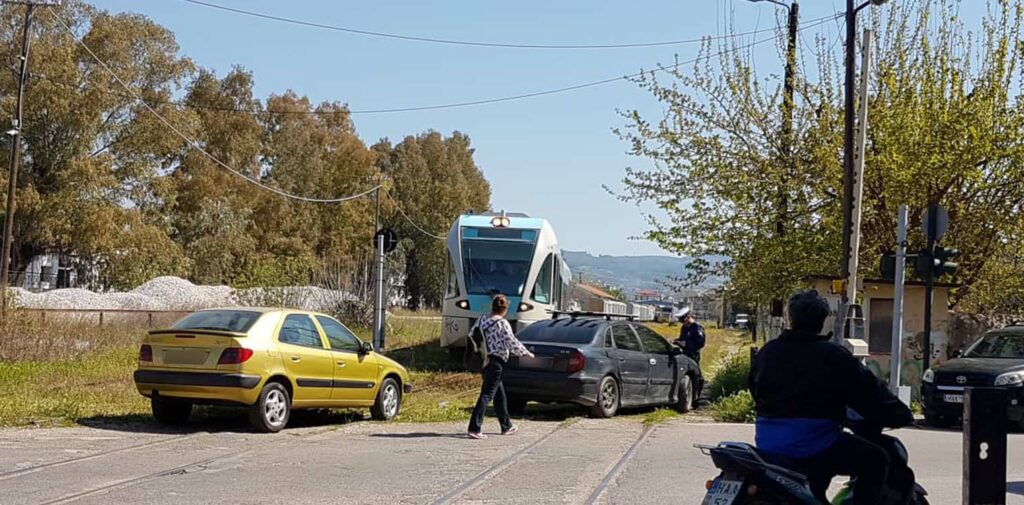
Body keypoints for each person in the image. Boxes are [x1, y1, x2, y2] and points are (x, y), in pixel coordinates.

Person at [749, 290, 913, 504]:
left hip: (768, 442)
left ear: (791, 318)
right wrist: (898, 412)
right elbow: (869, 393)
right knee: (876, 459)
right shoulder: (833, 356)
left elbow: (754, 389)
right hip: (814, 443)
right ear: (822, 321)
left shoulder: (768, 352)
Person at [467, 294, 534, 440]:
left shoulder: (482, 320)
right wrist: (526, 353)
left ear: (492, 306)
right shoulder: (502, 324)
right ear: (504, 309)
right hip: (496, 362)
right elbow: (511, 342)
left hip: (484, 361)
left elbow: (471, 335)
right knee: (486, 395)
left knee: (499, 394)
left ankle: (506, 426)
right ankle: (474, 427)